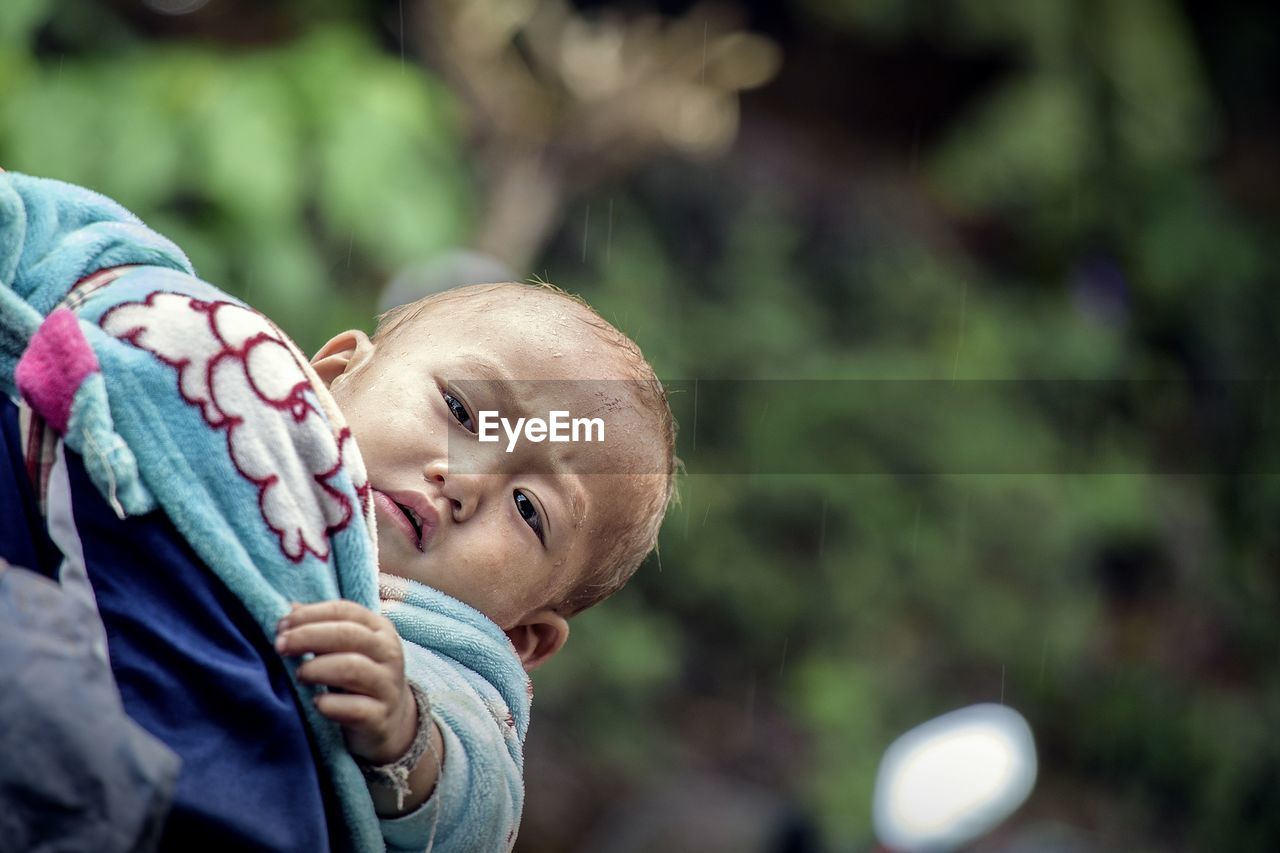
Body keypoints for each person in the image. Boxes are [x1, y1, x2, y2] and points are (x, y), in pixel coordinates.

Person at [0, 171, 676, 851]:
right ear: (326, 375)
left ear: (524, 638)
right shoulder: (245, 417)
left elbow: (481, 812)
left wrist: (407, 733)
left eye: (529, 508)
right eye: (463, 411)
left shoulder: (455, 671)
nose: (464, 480)